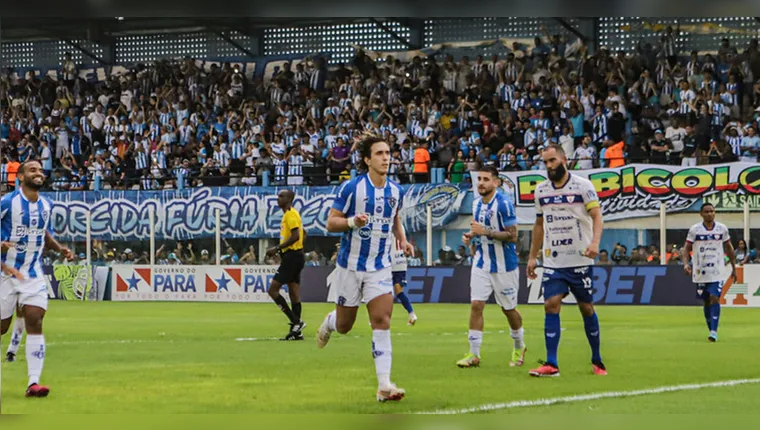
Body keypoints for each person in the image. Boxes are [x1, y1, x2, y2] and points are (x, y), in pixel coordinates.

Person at [315, 134, 413, 402]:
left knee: (382, 321)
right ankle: (330, 322)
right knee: (345, 325)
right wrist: (351, 223)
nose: (386, 157)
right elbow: (331, 223)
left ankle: (384, 386)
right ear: (367, 160)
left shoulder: (396, 191)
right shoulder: (352, 188)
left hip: (380, 266)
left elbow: (395, 218)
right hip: (350, 267)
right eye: (379, 153)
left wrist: (402, 240)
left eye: (388, 152)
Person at [526, 144, 607, 377]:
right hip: (554, 262)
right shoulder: (541, 191)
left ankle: (597, 360)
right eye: (545, 163)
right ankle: (551, 363)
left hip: (580, 260)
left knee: (586, 308)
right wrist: (533, 256)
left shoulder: (583, 186)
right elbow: (539, 225)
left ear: (564, 160)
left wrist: (595, 244)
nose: (549, 166)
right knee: (550, 304)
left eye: (552, 161)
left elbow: (597, 215)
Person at [1, 160, 73, 397]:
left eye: (41, 170)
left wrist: (59, 248)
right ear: (20, 176)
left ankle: (33, 383)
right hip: (5, 273)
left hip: (32, 273)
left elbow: (43, 232)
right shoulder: (8, 202)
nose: (39, 173)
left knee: (34, 319)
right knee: (2, 327)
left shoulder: (46, 205)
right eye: (33, 170)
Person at [456, 165, 527, 369]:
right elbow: (478, 227)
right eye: (479, 179)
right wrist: (471, 235)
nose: (481, 183)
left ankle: (519, 346)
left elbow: (513, 236)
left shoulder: (504, 204)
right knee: (476, 305)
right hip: (482, 262)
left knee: (508, 309)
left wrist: (485, 231)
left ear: (496, 182)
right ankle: (474, 354)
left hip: (505, 266)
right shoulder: (477, 203)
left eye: (486, 179)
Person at [681, 203, 737, 342]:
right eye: (706, 211)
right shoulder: (695, 230)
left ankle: (714, 331)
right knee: (706, 301)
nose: (710, 214)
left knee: (714, 297)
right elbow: (686, 248)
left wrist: (734, 268)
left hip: (717, 271)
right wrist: (686, 264)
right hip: (700, 271)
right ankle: (710, 326)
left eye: (712, 211)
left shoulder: (722, 229)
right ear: (701, 214)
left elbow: (729, 247)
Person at [265, 189, 306, 341]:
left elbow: (296, 235)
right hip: (295, 256)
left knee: (273, 290)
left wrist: (277, 248)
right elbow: (303, 233)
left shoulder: (290, 214)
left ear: (289, 198)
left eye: (281, 196)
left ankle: (296, 322)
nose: (278, 198)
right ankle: (297, 333)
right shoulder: (290, 214)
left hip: (292, 257)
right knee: (294, 294)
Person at [391, 224, 417, 326]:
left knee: (383, 292)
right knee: (399, 292)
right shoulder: (401, 226)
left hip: (389, 261)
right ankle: (412, 314)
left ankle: (378, 318)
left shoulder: (387, 222)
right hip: (401, 262)